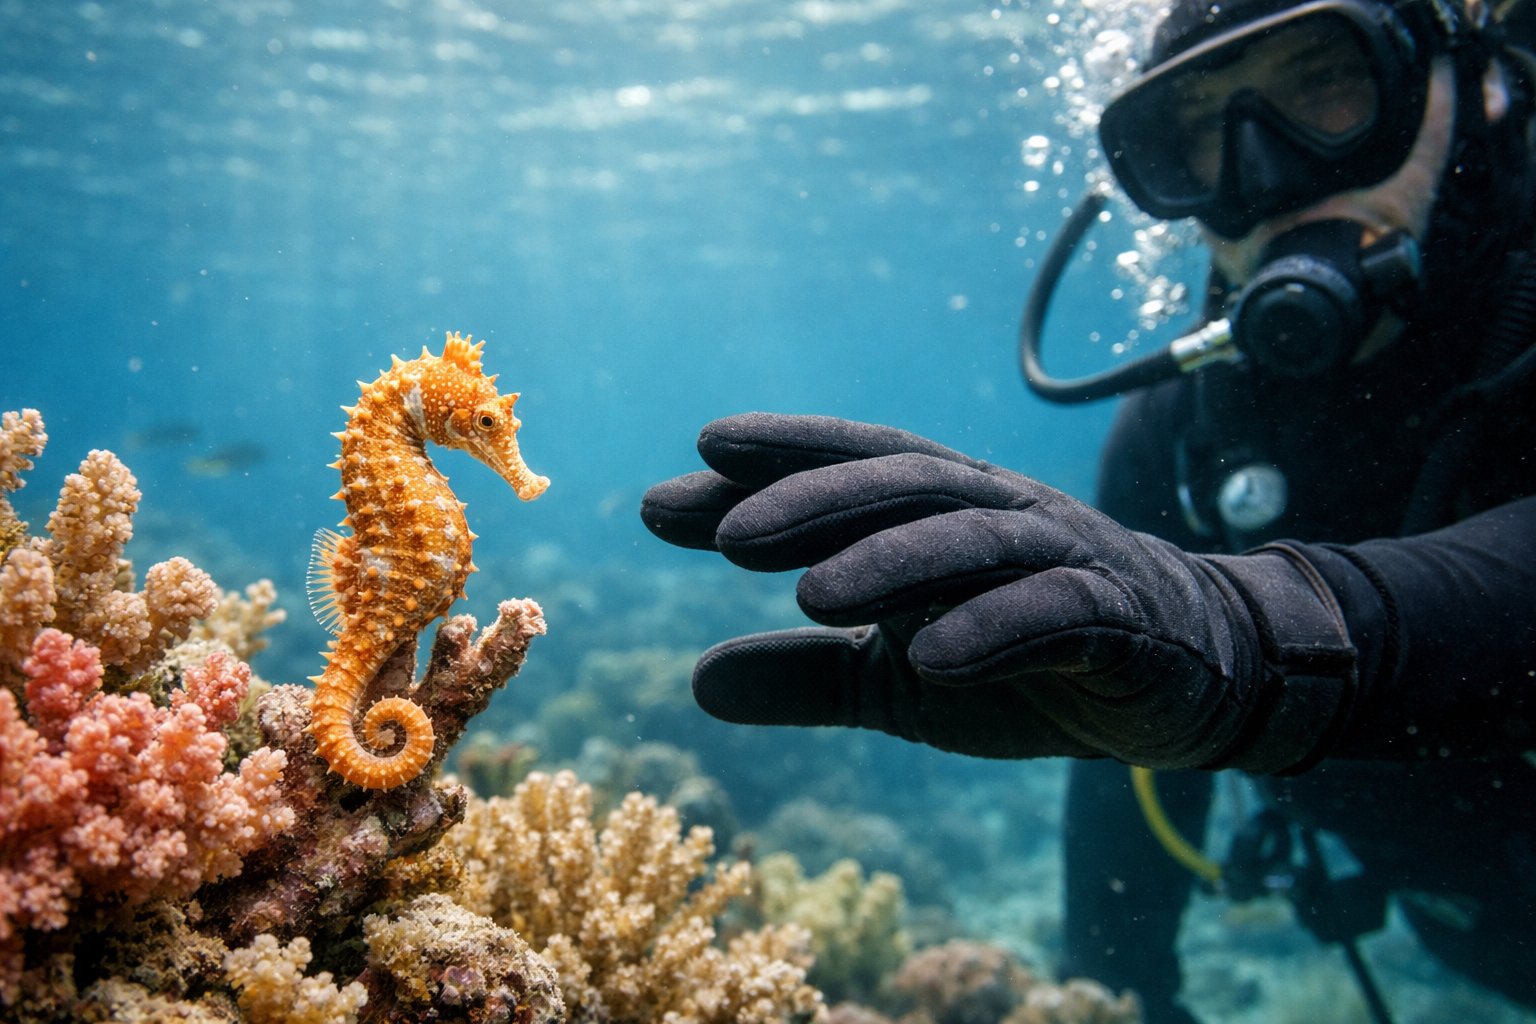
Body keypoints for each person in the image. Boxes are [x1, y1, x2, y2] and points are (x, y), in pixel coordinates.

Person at [638, 0, 1536, 1019]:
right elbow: (1120, 739)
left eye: (1329, 84)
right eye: (1198, 138)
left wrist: (1259, 631)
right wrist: (1115, 993)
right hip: (1467, 921)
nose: (1267, 174)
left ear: (1479, 76)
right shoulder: (1185, 432)